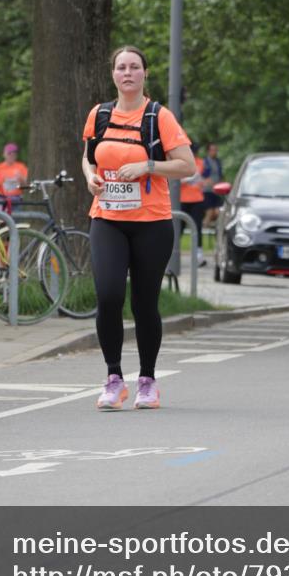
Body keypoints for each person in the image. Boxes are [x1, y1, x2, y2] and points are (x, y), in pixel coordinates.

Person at [82, 46, 195, 410]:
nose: (127, 73)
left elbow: (186, 165)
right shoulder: (99, 115)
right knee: (109, 296)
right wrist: (91, 178)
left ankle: (147, 380)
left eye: (134, 67)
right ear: (113, 74)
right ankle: (114, 379)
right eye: (121, 67)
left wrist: (148, 166)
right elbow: (87, 157)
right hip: (108, 219)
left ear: (145, 73)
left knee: (144, 303)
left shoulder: (158, 117)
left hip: (151, 223)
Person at [180, 143, 206, 267]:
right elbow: (180, 178)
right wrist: (186, 179)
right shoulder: (180, 161)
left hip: (197, 199)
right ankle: (172, 255)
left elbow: (198, 175)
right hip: (182, 199)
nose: (193, 153)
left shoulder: (200, 162)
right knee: (178, 229)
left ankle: (198, 256)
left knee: (197, 228)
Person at [0, 143, 28, 213]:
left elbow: (26, 184)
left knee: (15, 221)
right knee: (1, 220)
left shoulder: (21, 167)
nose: (11, 155)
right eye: (9, 153)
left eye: (14, 153)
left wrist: (21, 178)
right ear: (4, 154)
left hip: (17, 199)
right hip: (1, 199)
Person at [202, 142, 224, 228]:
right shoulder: (204, 162)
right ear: (208, 151)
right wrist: (205, 181)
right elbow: (200, 176)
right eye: (212, 150)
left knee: (218, 212)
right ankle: (202, 230)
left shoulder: (218, 162)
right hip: (207, 191)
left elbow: (220, 176)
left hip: (216, 191)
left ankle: (217, 231)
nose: (214, 152)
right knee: (209, 212)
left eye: (216, 150)